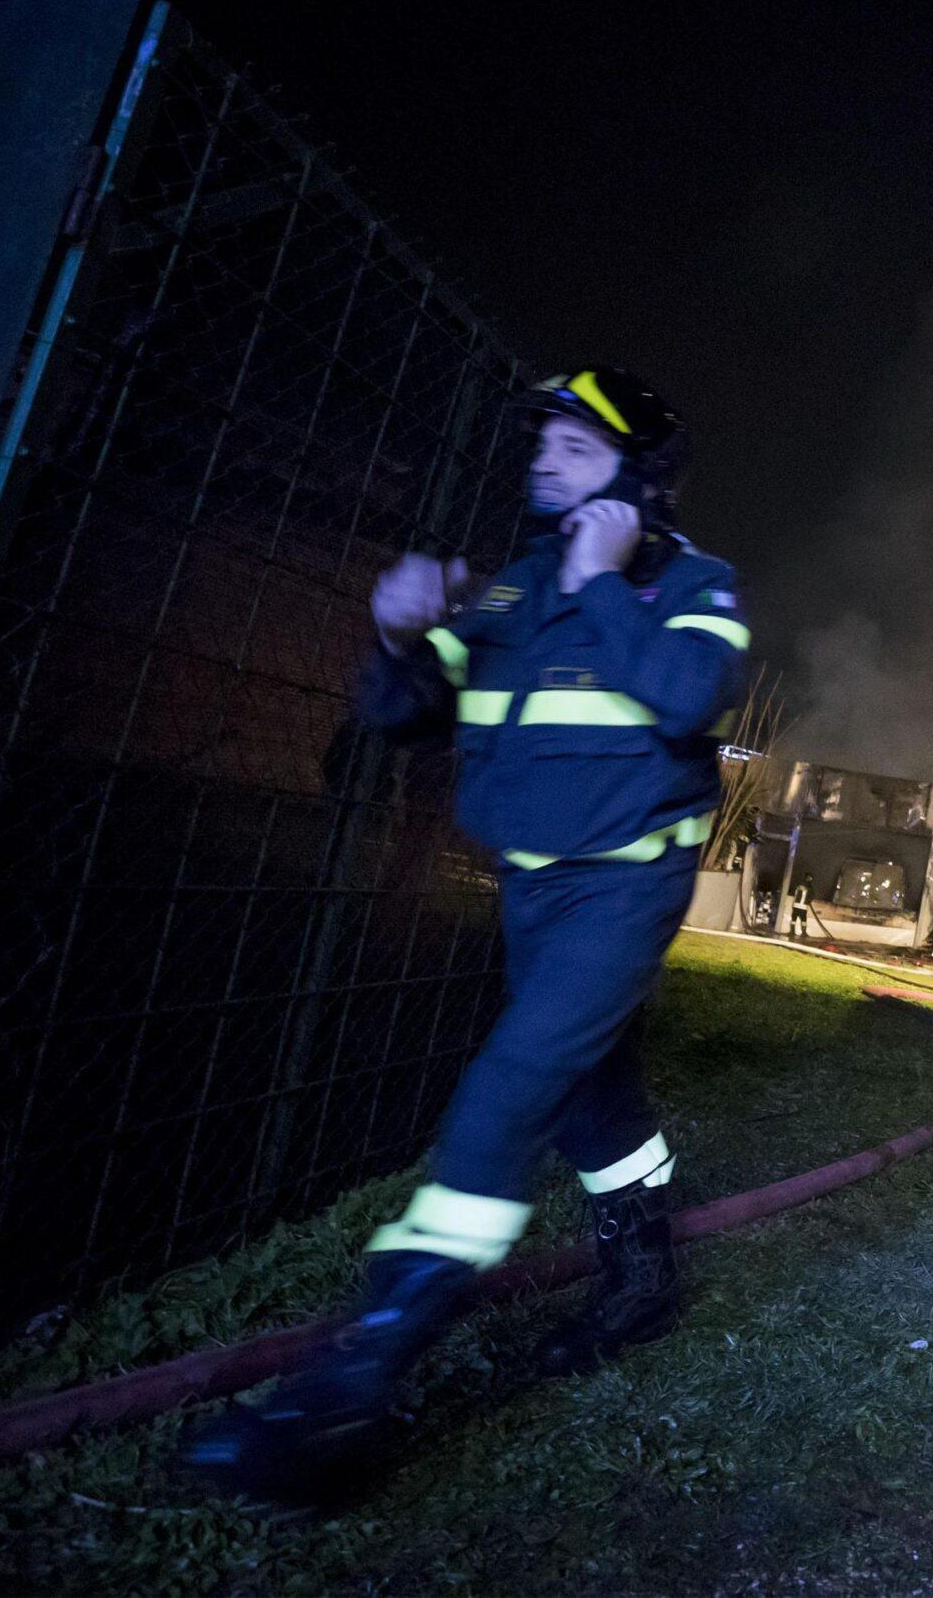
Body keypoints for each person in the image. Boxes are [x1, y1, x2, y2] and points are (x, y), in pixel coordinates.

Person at [186, 369, 748, 1506]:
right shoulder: (506, 594)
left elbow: (690, 697)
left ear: (635, 473)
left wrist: (599, 585)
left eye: (572, 443)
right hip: (529, 891)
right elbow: (401, 712)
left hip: (621, 891)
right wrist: (398, 637)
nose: (541, 455)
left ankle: (349, 1389)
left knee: (506, 1094)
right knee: (588, 1089)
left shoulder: (694, 585)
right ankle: (643, 1266)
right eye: (539, 437)